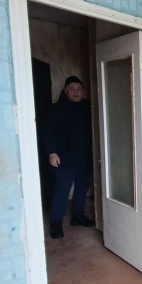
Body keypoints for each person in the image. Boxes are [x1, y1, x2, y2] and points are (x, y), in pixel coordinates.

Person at [44, 75, 95, 239]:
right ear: (65, 92)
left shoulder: (87, 107)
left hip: (84, 157)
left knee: (82, 187)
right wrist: (52, 152)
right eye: (72, 89)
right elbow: (48, 132)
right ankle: (56, 223)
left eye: (79, 89)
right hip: (63, 158)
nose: (76, 92)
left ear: (83, 91)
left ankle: (78, 216)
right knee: (62, 190)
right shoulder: (57, 109)